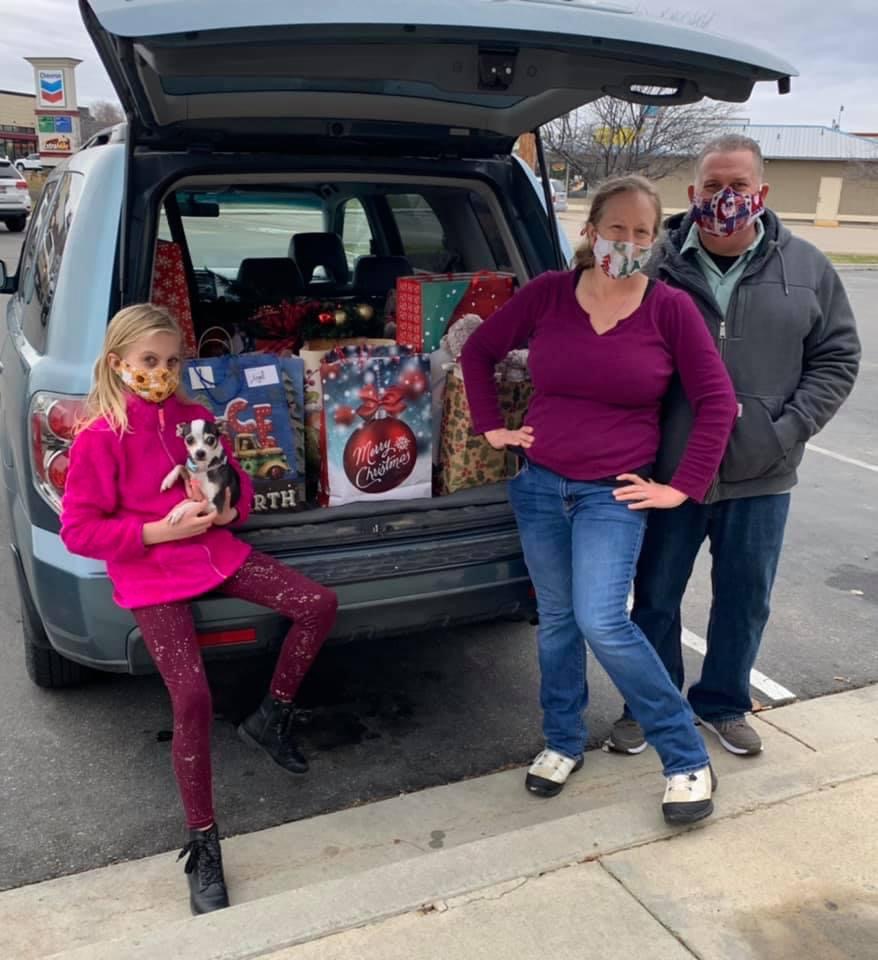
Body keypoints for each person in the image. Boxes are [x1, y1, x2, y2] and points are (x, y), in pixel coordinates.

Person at [460, 175, 738, 824]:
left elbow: (717, 400)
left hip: (612, 495)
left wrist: (682, 486)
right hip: (539, 486)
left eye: (645, 232)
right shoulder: (550, 294)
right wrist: (490, 426)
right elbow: (479, 351)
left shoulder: (668, 308)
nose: (631, 242)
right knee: (556, 622)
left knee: (604, 621)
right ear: (591, 231)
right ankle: (561, 742)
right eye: (619, 228)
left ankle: (685, 756)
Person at [60, 304, 338, 915]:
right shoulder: (100, 436)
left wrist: (229, 511)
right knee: (191, 699)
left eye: (172, 361)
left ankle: (272, 716)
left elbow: (234, 484)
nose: (161, 371)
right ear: (119, 364)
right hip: (151, 571)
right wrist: (157, 531)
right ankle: (203, 841)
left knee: (317, 604)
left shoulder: (195, 417)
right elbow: (79, 531)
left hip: (213, 549)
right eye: (149, 361)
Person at [606, 135, 861, 759]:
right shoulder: (652, 264)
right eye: (714, 186)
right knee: (656, 598)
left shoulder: (807, 269)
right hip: (667, 474)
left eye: (739, 186)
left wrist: (787, 429)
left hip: (761, 473)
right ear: (693, 194)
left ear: (762, 193)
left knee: (745, 600)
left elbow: (837, 356)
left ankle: (723, 702)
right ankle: (654, 704)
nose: (726, 198)